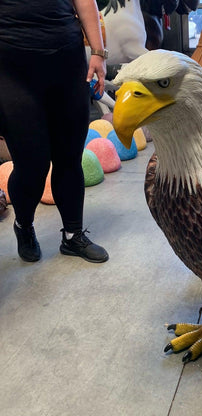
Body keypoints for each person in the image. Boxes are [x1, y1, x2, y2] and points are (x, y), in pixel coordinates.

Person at [0, 0, 109, 263]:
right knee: (31, 164)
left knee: (70, 156)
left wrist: (98, 52)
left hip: (67, 60)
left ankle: (73, 236)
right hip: (11, 66)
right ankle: (24, 226)